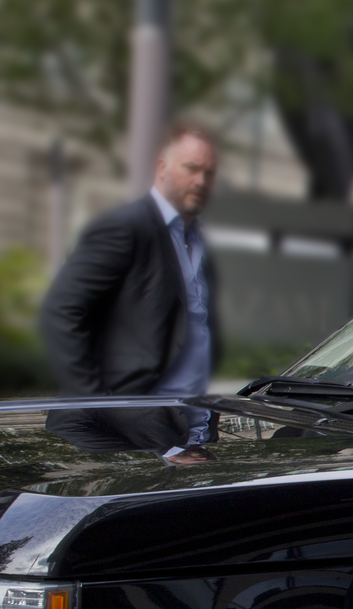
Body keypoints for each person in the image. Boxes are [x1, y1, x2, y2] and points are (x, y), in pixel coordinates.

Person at [39, 123, 220, 464]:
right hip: (139, 448)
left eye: (209, 172)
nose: (201, 181)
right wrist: (160, 447)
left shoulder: (199, 240)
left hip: (198, 438)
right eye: (191, 168)